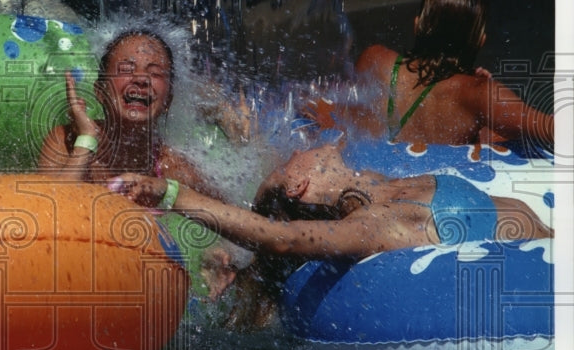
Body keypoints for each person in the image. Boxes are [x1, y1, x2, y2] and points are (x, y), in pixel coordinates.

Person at [108, 143, 552, 262]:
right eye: (290, 160)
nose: (298, 147)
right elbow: (276, 237)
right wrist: (171, 192)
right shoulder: (373, 224)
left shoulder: (375, 181)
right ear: (300, 185)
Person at [312, 0, 554, 148]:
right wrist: (483, 106)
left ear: (417, 25)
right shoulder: (479, 95)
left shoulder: (374, 59)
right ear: (481, 41)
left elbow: (346, 115)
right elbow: (551, 130)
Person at [37, 29, 239, 197]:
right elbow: (51, 210)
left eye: (155, 73)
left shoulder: (173, 169)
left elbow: (230, 223)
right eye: (126, 69)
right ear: (100, 91)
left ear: (168, 100)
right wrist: (87, 139)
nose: (142, 79)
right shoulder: (66, 143)